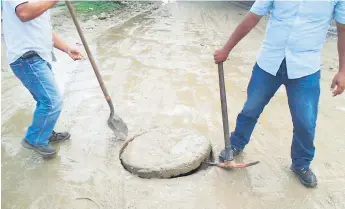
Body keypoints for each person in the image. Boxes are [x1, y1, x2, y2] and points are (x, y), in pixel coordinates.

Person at [214, 0, 345, 188]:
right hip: (269, 61)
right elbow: (253, 17)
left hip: (305, 68)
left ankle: (301, 164)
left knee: (305, 122)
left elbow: (343, 30)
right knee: (250, 109)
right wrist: (226, 49)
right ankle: (235, 144)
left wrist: (342, 71)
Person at [2, 0, 85, 157]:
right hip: (26, 57)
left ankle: (44, 133)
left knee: (45, 100)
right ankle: (35, 139)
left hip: (38, 56)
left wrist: (67, 48)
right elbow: (24, 12)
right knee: (52, 101)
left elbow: (44, 30)